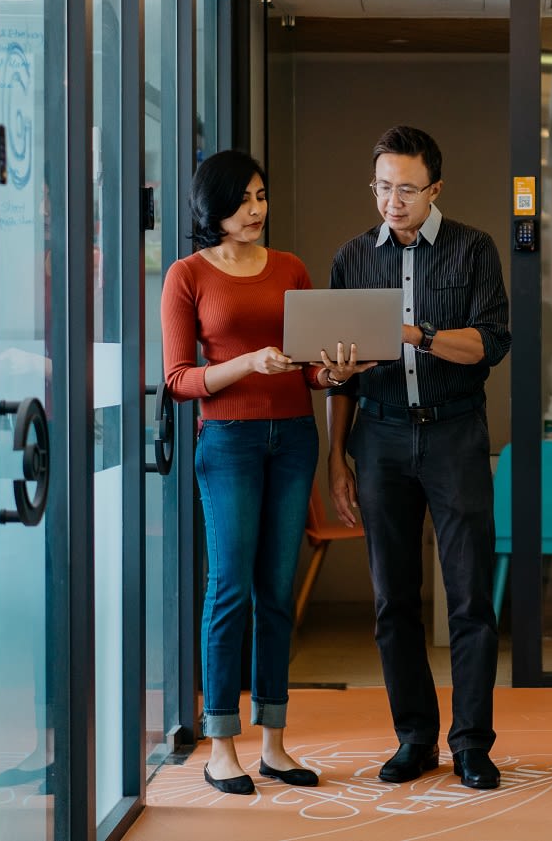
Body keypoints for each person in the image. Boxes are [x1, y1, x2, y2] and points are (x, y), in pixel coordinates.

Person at [161, 149, 366, 795]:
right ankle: (222, 744)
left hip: (293, 438)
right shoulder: (186, 274)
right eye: (244, 198)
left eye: (261, 195)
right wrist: (248, 363)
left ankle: (275, 742)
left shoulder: (290, 268)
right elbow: (178, 380)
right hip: (227, 442)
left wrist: (329, 374)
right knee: (229, 590)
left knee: (277, 592)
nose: (257, 209)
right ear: (213, 205)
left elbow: (306, 365)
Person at [325, 125, 512, 791]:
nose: (392, 200)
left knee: (468, 597)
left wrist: (413, 333)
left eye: (406, 188)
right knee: (391, 598)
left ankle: (470, 743)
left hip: (455, 432)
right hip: (377, 437)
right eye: (382, 186)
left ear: (435, 187)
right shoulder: (351, 258)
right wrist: (335, 456)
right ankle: (414, 737)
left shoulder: (473, 250)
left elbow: (489, 344)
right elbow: (337, 373)